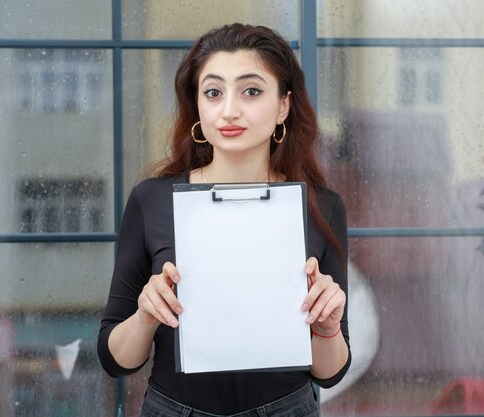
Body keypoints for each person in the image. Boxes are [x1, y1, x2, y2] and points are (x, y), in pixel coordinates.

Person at [97, 23, 351, 416]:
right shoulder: (153, 200)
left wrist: (328, 326)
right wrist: (146, 316)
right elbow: (116, 360)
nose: (229, 110)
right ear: (197, 105)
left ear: (284, 104)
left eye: (251, 91)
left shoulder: (320, 206)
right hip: (174, 408)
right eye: (213, 92)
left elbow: (329, 372)